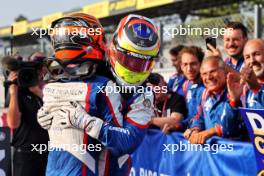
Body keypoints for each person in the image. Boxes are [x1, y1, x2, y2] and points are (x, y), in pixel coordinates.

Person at [37, 13, 160, 176]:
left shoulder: (144, 95)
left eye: (142, 62)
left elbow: (127, 142)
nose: (133, 67)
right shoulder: (93, 70)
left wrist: (86, 122)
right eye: (128, 59)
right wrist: (48, 113)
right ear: (114, 49)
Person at [7, 53, 49, 176]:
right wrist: (13, 92)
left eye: (41, 66)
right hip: (25, 156)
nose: (40, 71)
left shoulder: (49, 90)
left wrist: (38, 92)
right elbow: (13, 124)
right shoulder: (18, 91)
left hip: (47, 153)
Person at [184, 56, 242, 144]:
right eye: (204, 74)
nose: (208, 77)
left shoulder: (237, 91)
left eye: (213, 71)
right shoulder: (205, 94)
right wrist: (195, 130)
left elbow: (231, 126)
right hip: (213, 154)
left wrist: (210, 132)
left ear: (225, 72)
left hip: (235, 153)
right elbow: (199, 117)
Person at [227, 39, 264, 109]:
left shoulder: (252, 86)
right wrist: (234, 101)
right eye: (247, 57)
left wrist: (256, 89)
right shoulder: (245, 88)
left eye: (257, 54)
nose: (252, 60)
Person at [176, 46, 205, 130]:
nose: (189, 69)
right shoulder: (186, 85)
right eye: (185, 64)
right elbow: (191, 117)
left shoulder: (209, 85)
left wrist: (195, 129)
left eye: (193, 64)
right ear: (181, 67)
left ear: (201, 64)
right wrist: (178, 125)